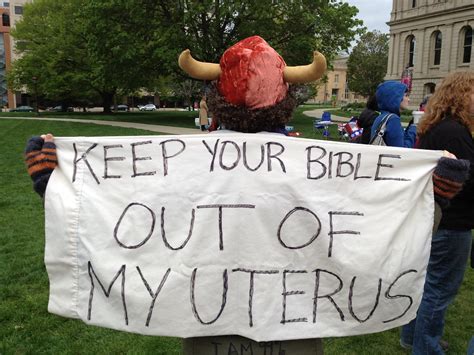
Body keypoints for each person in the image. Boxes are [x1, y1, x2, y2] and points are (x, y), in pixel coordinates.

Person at [400, 71, 474, 354]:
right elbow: (467, 181)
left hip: (439, 219)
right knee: (439, 290)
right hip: (452, 222)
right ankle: (426, 346)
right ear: (460, 95)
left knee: (428, 284)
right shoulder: (454, 132)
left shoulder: (443, 127)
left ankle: (414, 336)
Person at [370, 81, 417, 147]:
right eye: (406, 95)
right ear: (395, 98)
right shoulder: (393, 119)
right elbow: (401, 151)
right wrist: (413, 128)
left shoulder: (381, 116)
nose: (408, 99)